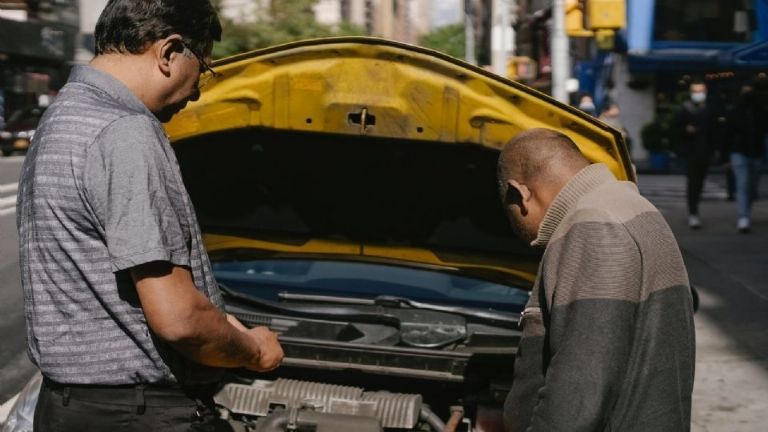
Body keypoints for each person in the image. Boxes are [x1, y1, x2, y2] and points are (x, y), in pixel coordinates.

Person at [16, 1, 283, 430]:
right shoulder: (125, 131)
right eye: (205, 68)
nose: (198, 90)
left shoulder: (62, 117)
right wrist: (255, 350)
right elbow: (178, 321)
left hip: (66, 409)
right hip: (141, 414)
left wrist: (217, 318)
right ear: (169, 52)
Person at [497, 129, 695, 432]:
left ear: (520, 193)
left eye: (511, 213)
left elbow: (579, 397)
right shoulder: (628, 204)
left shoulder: (592, 224)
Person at [674, 80, 718, 229]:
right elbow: (675, 130)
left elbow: (714, 131)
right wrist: (685, 131)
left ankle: (694, 210)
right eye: (695, 91)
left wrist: (715, 150)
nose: (698, 94)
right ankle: (693, 213)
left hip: (705, 152)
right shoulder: (684, 109)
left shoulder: (710, 109)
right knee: (693, 183)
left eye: (701, 91)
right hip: (690, 153)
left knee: (699, 183)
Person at [726, 84, 766, 233]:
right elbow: (728, 133)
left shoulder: (759, 111)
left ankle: (746, 213)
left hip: (755, 152)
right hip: (740, 152)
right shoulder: (735, 112)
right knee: (743, 185)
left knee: (751, 187)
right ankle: (744, 217)